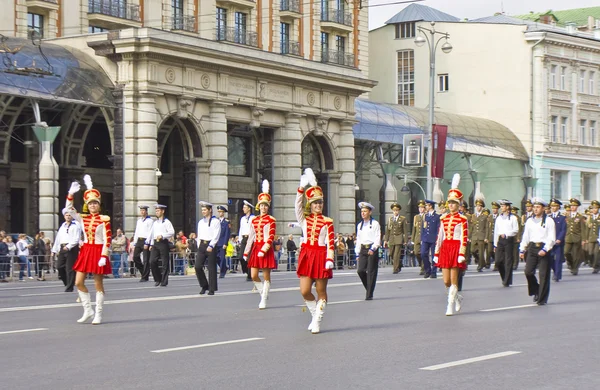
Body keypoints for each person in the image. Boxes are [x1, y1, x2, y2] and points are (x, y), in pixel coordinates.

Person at [66, 175, 112, 325]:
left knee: (98, 284)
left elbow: (108, 239)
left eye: (95, 203)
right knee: (78, 282)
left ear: (99, 205)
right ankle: (88, 310)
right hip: (86, 251)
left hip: (98, 251)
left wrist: (104, 255)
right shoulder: (83, 218)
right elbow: (68, 209)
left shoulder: (104, 219)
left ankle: (98, 313)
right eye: (90, 203)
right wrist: (71, 195)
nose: (93, 205)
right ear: (87, 204)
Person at [295, 169, 334, 333]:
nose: (318, 205)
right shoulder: (304, 219)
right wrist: (301, 189)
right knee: (304, 291)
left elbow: (330, 242)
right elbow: (297, 206)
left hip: (320, 255)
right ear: (309, 204)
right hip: (306, 254)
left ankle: (317, 320)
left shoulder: (327, 221)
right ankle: (314, 315)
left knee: (320, 291)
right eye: (315, 203)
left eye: (320, 202)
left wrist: (330, 259)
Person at [433, 174, 468, 316]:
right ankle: (457, 296)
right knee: (446, 281)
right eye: (450, 202)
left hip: (455, 249)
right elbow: (439, 237)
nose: (451, 205)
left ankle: (449, 305)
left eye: (454, 202)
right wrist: (436, 253)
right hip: (445, 249)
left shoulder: (463, 219)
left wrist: (461, 253)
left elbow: (464, 238)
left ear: (459, 204)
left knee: (454, 280)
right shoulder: (443, 218)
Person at [243, 180, 277, 309]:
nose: (263, 208)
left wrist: (264, 249)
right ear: (259, 206)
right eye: (262, 205)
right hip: (256, 248)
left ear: (268, 207)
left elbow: (271, 237)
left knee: (266, 276)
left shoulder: (271, 220)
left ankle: (263, 299)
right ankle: (263, 292)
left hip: (265, 249)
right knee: (253, 275)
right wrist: (246, 252)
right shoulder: (255, 219)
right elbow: (251, 237)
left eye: (265, 205)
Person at [520, 198, 556, 306]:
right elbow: (525, 236)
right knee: (528, 271)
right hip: (532, 247)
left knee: (543, 274)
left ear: (543, 208)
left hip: (544, 248)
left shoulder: (549, 221)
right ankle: (536, 290)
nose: (535, 209)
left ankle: (542, 298)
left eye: (538, 207)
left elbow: (551, 238)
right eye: (534, 207)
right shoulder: (529, 221)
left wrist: (545, 249)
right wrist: (522, 249)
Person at [51, 207, 82, 292]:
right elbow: (58, 239)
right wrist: (54, 250)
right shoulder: (63, 226)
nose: (68, 217)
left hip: (71, 248)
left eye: (69, 215)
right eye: (66, 215)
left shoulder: (76, 225)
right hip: (62, 247)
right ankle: (67, 282)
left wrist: (68, 246)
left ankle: (69, 287)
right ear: (64, 216)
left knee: (70, 268)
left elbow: (76, 238)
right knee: (59, 267)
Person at [355, 201, 381, 300]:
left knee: (371, 272)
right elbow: (358, 239)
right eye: (362, 211)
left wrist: (373, 248)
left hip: (371, 248)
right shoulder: (360, 225)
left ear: (369, 212)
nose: (363, 213)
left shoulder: (375, 224)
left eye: (365, 211)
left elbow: (377, 238)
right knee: (360, 270)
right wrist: (357, 253)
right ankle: (369, 288)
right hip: (363, 248)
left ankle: (369, 294)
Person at [196, 201, 221, 295]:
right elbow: (199, 235)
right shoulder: (201, 222)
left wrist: (211, 245)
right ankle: (204, 285)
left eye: (205, 210)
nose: (203, 211)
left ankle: (212, 288)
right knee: (198, 266)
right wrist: (199, 245)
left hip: (211, 244)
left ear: (210, 210)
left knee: (211, 268)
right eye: (202, 210)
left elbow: (216, 235)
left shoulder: (215, 221)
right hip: (202, 244)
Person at [493, 199, 519, 287]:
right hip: (500, 240)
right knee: (498, 261)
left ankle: (507, 280)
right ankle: (504, 277)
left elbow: (516, 230)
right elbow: (496, 231)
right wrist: (495, 244)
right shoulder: (499, 218)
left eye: (503, 206)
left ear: (507, 207)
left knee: (508, 261)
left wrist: (507, 234)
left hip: (508, 240)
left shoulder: (513, 218)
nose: (501, 208)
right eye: (501, 206)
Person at [149, 204, 175, 287]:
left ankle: (164, 280)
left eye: (158, 211)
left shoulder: (167, 222)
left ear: (162, 211)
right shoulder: (155, 223)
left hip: (163, 242)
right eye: (156, 211)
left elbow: (172, 232)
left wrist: (163, 235)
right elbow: (152, 233)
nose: (157, 212)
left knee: (164, 262)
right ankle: (157, 278)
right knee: (152, 261)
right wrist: (151, 244)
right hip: (155, 243)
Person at [384, 202, 408, 275]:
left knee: (396, 254)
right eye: (394, 210)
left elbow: (405, 230)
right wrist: (386, 240)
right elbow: (387, 230)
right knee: (391, 254)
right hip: (391, 238)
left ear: (399, 211)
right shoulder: (390, 219)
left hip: (399, 238)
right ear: (392, 211)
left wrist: (405, 240)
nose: (395, 212)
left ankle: (395, 269)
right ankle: (399, 263)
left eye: (397, 210)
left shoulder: (402, 219)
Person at [133, 205, 154, 282]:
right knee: (135, 257)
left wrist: (148, 243)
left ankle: (145, 277)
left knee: (146, 260)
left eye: (143, 210)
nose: (142, 212)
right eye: (141, 210)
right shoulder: (139, 221)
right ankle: (143, 272)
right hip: (139, 240)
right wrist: (134, 243)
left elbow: (150, 233)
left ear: (146, 211)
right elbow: (137, 232)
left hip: (146, 240)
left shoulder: (150, 221)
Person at [564, 198, 585, 275]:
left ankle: (575, 268)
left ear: (577, 207)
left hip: (577, 238)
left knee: (576, 254)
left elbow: (583, 229)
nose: (572, 207)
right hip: (568, 237)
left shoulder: (580, 217)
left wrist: (583, 239)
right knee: (566, 252)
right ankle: (571, 264)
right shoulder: (566, 216)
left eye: (574, 206)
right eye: (571, 205)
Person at [548, 199, 566, 282]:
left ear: (558, 207)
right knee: (550, 259)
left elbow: (563, 230)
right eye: (552, 206)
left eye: (555, 206)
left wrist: (559, 239)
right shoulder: (548, 217)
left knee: (558, 259)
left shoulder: (562, 217)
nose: (553, 208)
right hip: (550, 241)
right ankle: (555, 271)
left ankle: (557, 275)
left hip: (558, 241)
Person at [421, 200, 440, 279]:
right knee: (423, 254)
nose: (426, 207)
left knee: (433, 256)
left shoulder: (437, 216)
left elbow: (438, 228)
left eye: (427, 206)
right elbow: (423, 228)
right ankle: (427, 269)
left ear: (430, 206)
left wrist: (438, 239)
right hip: (426, 238)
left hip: (433, 238)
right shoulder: (425, 216)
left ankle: (433, 271)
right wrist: (422, 238)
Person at [239, 200, 256, 282]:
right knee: (241, 257)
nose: (243, 209)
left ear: (249, 209)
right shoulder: (242, 219)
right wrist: (239, 239)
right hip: (244, 238)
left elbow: (255, 230)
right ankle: (245, 270)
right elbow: (241, 229)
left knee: (249, 258)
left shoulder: (253, 218)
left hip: (251, 238)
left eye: (245, 207)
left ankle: (250, 275)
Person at [471, 196, 488, 272]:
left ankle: (480, 266)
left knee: (481, 252)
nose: (478, 207)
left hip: (481, 236)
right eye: (477, 206)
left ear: (482, 207)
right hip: (474, 236)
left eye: (480, 206)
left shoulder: (484, 216)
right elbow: (472, 227)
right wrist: (469, 236)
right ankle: (481, 261)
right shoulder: (473, 216)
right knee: (472, 250)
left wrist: (486, 237)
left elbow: (487, 227)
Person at [585, 200, 599, 274]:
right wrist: (586, 238)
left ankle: (596, 267)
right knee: (590, 253)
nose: (594, 210)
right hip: (590, 238)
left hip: (598, 238)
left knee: (596, 253)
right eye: (593, 208)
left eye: (596, 208)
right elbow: (587, 228)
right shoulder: (589, 218)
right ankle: (593, 263)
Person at [216, 205, 231, 278]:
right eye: (219, 212)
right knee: (216, 258)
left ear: (223, 213)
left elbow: (227, 234)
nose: (220, 213)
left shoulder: (226, 222)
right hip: (216, 242)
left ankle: (222, 272)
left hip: (222, 242)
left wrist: (225, 243)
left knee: (222, 258)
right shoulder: (216, 221)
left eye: (221, 212)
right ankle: (224, 267)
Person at [412, 200, 426, 275]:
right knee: (417, 252)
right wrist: (412, 239)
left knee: (423, 253)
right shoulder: (416, 217)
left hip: (424, 237)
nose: (421, 209)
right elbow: (414, 228)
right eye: (420, 207)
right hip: (417, 237)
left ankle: (423, 268)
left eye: (422, 207)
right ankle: (422, 263)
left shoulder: (426, 216)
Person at [487, 201, 500, 271]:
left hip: (497, 237)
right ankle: (495, 259)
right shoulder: (490, 217)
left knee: (497, 252)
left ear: (498, 209)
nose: (494, 210)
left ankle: (496, 266)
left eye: (495, 209)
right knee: (489, 251)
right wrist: (486, 237)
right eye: (493, 208)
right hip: (490, 237)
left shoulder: (500, 217)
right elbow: (488, 227)